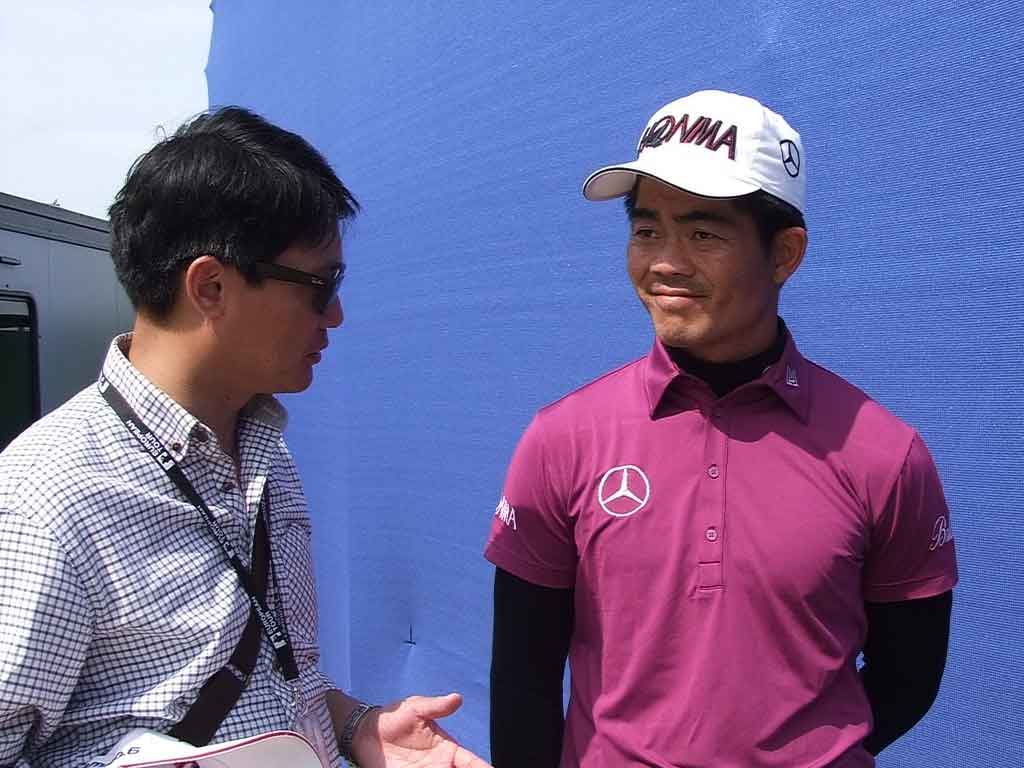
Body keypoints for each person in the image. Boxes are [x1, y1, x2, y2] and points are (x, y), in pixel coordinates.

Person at [0, 107, 488, 768]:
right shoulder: (47, 499)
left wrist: (358, 729)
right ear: (212, 286)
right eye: (321, 285)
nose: (336, 315)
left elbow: (279, 674)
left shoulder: (263, 456)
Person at [485, 90, 958, 767]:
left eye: (703, 234)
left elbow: (908, 678)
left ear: (784, 254)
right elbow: (523, 682)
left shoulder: (884, 453)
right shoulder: (561, 439)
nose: (665, 264)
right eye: (647, 230)